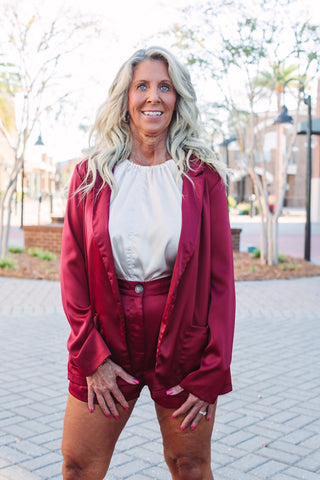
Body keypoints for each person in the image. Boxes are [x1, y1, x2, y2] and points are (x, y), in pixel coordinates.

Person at [60, 46, 235, 480]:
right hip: (106, 340)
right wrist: (91, 355)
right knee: (78, 465)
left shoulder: (202, 178)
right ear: (126, 96)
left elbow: (220, 283)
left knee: (190, 465)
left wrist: (213, 368)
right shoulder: (91, 176)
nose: (153, 97)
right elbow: (73, 270)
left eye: (165, 86)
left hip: (183, 343)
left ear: (178, 99)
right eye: (142, 86)